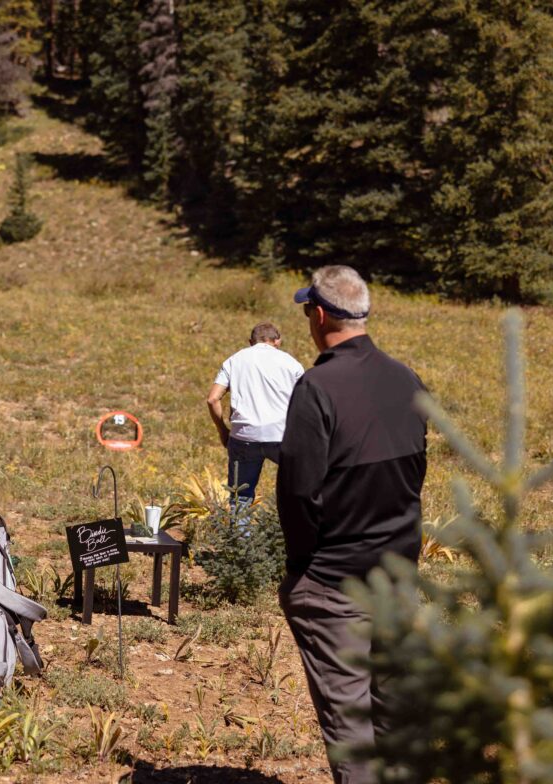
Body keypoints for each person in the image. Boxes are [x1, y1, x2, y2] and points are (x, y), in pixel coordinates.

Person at [277, 266, 427, 784]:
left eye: (306, 312)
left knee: (351, 725)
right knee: (393, 711)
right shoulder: (406, 378)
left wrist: (302, 571)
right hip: (398, 573)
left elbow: (298, 491)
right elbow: (414, 472)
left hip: (336, 580)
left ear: (318, 316)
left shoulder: (317, 387)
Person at [207, 322, 304, 505]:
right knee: (297, 489)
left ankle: (239, 533)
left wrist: (223, 431)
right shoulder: (291, 364)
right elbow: (304, 402)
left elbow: (213, 399)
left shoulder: (234, 360)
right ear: (278, 341)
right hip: (281, 435)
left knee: (240, 497)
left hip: (244, 435)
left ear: (251, 342)